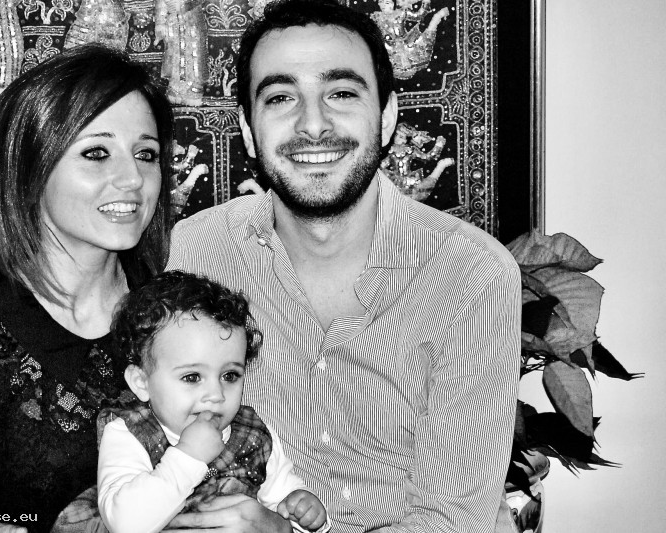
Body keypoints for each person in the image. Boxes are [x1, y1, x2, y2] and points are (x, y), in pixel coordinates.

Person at [166, 0, 522, 532]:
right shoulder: (200, 252)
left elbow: (453, 520)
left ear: (388, 115)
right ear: (248, 129)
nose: (313, 124)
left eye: (341, 93)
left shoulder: (471, 274)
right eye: (281, 97)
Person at [0, 44, 174, 533]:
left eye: (146, 154)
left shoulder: (180, 314)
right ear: (29, 169)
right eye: (96, 153)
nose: (133, 178)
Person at [96, 270, 329, 533]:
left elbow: (282, 502)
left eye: (230, 376)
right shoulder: (129, 433)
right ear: (142, 382)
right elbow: (125, 524)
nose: (216, 394)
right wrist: (188, 456)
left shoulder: (252, 434)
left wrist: (302, 509)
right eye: (192, 377)